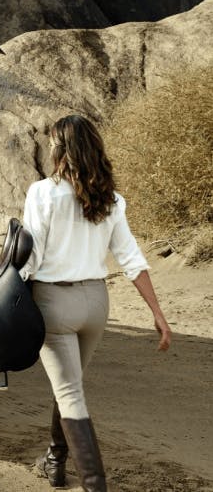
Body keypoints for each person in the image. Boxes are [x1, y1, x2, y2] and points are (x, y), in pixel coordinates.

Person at [19, 114, 172, 491]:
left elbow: (30, 258)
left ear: (61, 150)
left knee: (69, 391)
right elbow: (132, 259)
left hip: (54, 302)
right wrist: (158, 314)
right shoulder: (111, 200)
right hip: (96, 305)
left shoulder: (43, 193)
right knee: (68, 383)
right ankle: (55, 460)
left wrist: (3, 293)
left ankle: (94, 484)